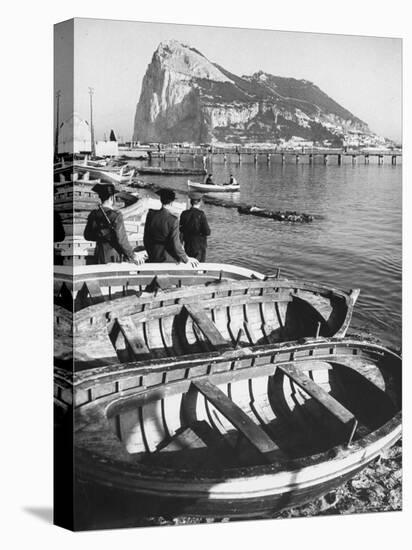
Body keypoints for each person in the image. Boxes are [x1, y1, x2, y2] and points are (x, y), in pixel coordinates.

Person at [84, 183, 141, 265]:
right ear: (112, 198)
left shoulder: (93, 214)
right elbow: (122, 240)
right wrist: (133, 255)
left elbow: (87, 236)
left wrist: (101, 235)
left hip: (98, 253)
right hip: (113, 254)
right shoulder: (116, 216)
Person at [143, 188, 199, 267]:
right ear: (172, 203)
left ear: (161, 201)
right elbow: (176, 244)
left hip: (153, 254)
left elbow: (146, 238)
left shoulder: (151, 214)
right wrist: (186, 259)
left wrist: (150, 252)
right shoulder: (173, 220)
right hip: (167, 258)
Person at [180, 193, 211, 262]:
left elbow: (181, 229)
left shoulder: (184, 213)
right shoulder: (201, 214)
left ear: (191, 202)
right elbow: (207, 232)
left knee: (190, 265)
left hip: (187, 244)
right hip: (199, 245)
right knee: (200, 266)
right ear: (199, 202)